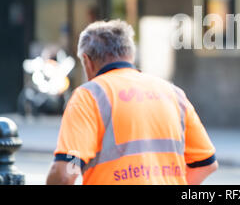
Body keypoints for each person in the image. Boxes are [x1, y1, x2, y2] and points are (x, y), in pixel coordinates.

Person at [46, 19, 218, 185]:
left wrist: (72, 162)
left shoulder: (89, 96)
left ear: (87, 61)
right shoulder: (174, 94)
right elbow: (206, 163)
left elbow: (64, 174)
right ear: (130, 54)